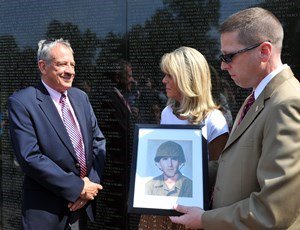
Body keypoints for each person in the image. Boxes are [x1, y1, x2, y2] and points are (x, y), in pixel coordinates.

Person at [169, 7, 300, 229]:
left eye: (229, 56)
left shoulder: (287, 103)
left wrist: (203, 219)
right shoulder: (258, 97)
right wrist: (177, 174)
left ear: (265, 51)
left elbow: (273, 210)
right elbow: (234, 165)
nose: (222, 65)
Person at [8, 38, 106, 230]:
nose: (70, 71)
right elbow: (30, 157)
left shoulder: (81, 97)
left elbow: (98, 142)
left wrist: (89, 186)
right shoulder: (22, 102)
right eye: (62, 64)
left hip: (81, 207)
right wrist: (77, 188)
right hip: (45, 212)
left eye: (72, 64)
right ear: (43, 66)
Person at [139, 46, 229, 229]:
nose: (164, 80)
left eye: (170, 75)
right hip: (161, 205)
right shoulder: (167, 113)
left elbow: (219, 170)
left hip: (193, 212)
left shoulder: (214, 120)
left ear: (188, 78)